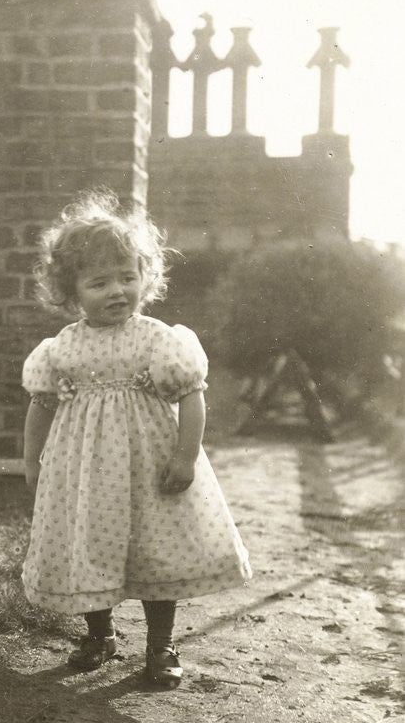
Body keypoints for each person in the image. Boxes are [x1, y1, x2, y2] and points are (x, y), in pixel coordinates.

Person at [22, 190, 251, 688]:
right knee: (90, 545)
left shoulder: (158, 338)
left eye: (127, 277)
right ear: (70, 291)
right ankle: (100, 634)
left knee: (156, 548)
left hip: (150, 463)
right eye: (99, 282)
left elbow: (191, 395)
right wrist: (31, 460)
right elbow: (41, 404)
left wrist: (186, 456)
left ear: (145, 277)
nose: (116, 291)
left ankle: (160, 643)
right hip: (86, 471)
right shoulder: (62, 348)